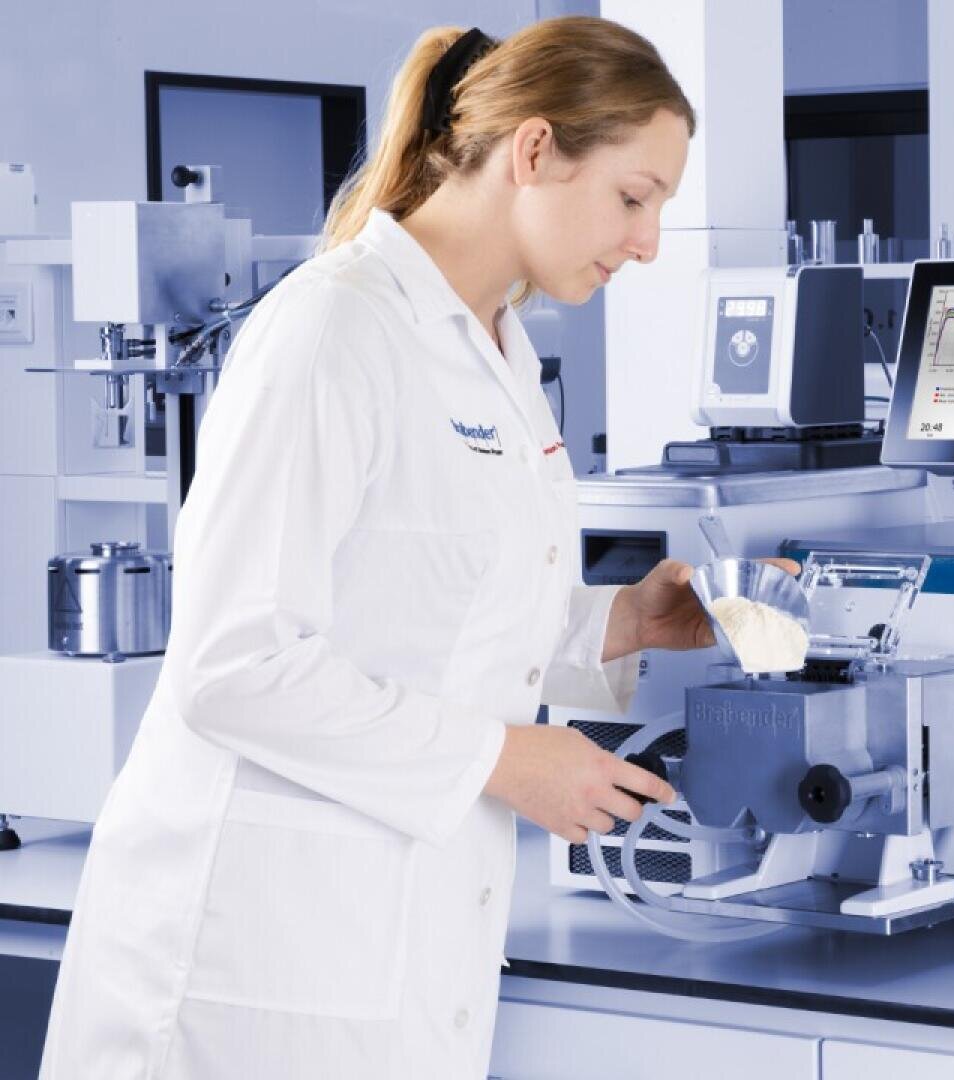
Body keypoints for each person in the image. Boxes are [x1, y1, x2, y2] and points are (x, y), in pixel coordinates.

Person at [38, 18, 751, 1079]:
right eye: (633, 198)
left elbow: (436, 608)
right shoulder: (334, 330)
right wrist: (505, 760)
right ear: (535, 150)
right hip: (248, 958)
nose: (647, 242)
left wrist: (622, 620)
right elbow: (233, 663)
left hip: (389, 950)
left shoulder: (499, 355)